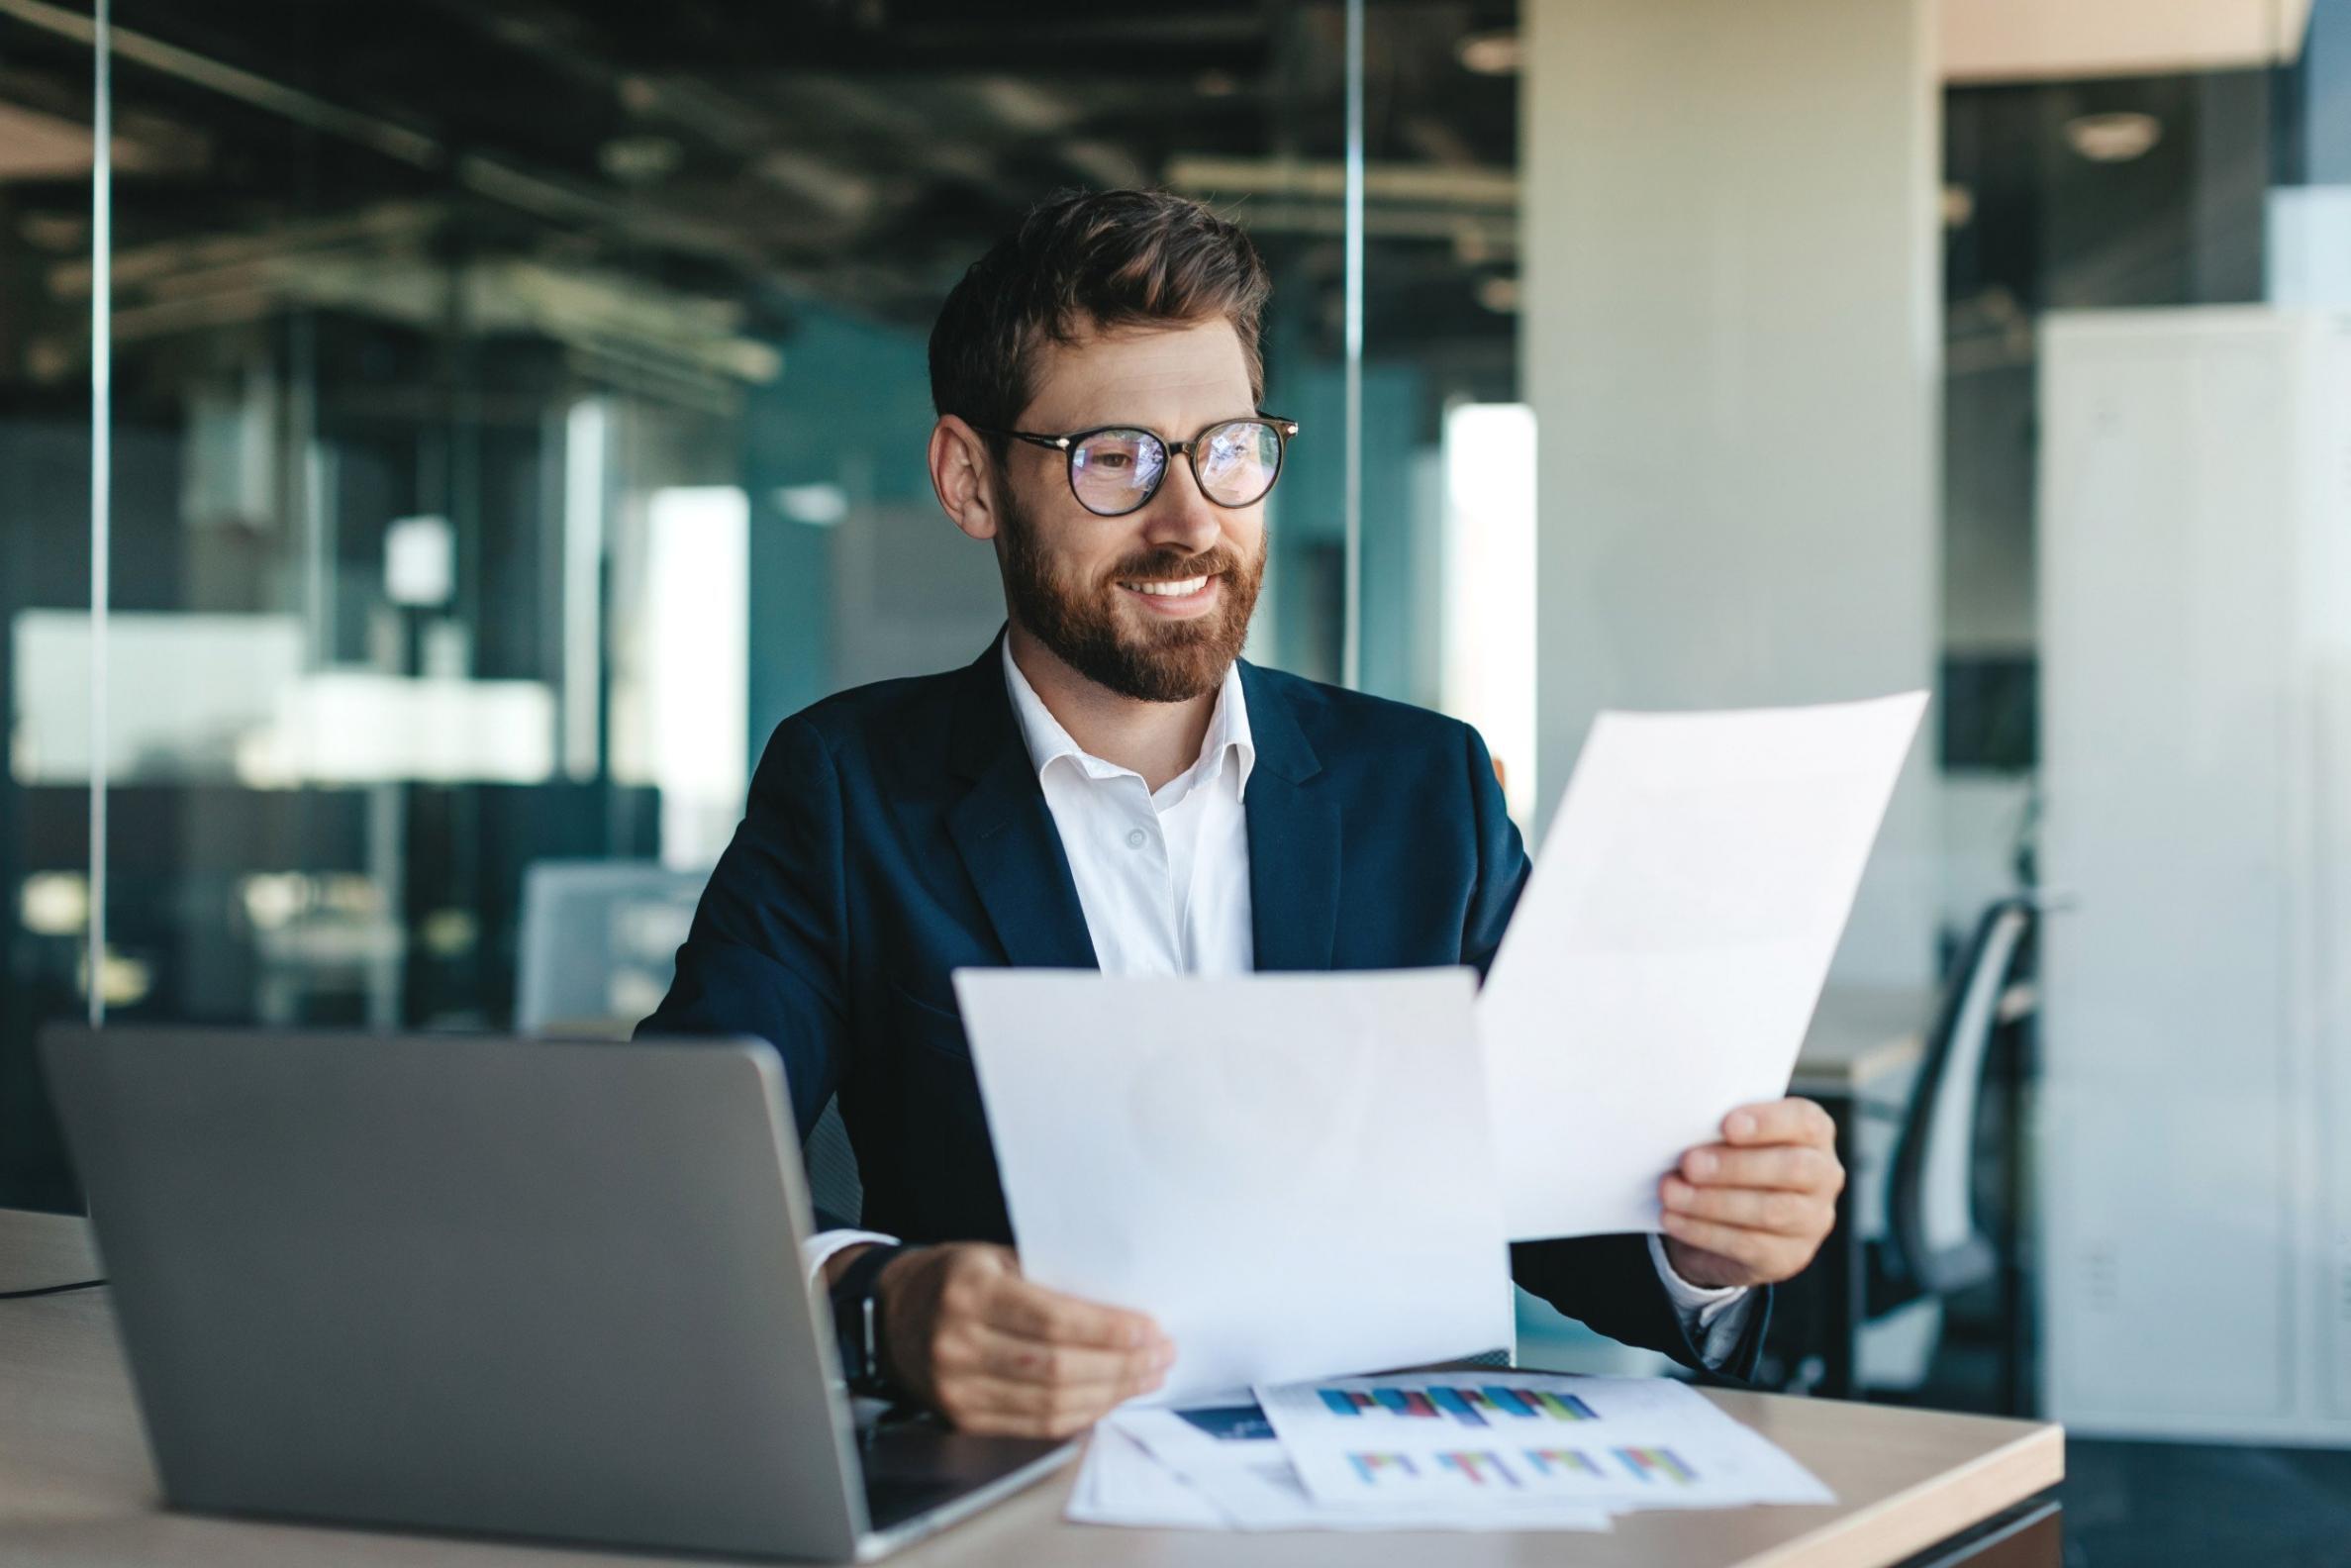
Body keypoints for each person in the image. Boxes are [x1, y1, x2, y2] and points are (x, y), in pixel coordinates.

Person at [640, 188, 1843, 1438]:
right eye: (1113, 458)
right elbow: (673, 1180)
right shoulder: (848, 788)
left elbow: (1550, 1196)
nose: (1188, 521)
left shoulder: (1422, 787)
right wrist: (877, 1303)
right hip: (1025, 1503)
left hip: (1381, 1504)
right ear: (969, 480)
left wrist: (1706, 1242)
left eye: (1225, 448)